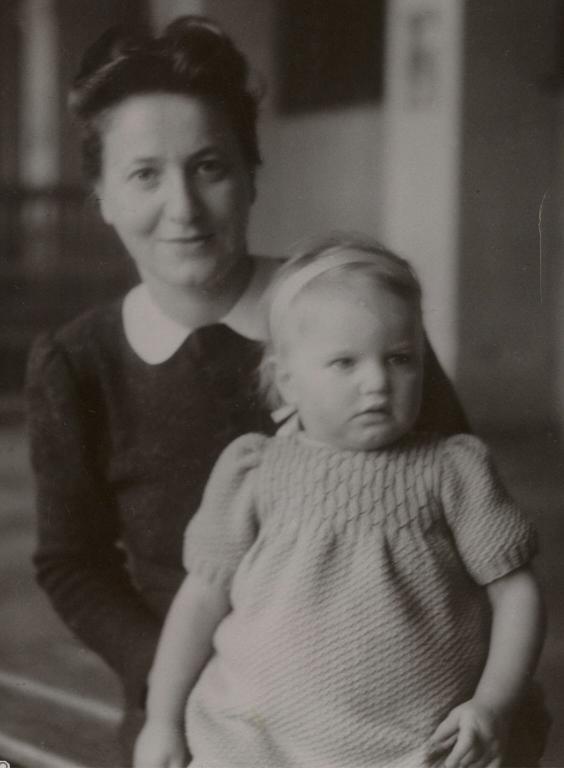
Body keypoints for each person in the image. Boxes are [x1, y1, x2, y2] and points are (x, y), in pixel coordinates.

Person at [25, 17, 468, 766]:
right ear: (100, 194)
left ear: (253, 172)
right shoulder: (77, 364)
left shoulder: (354, 315)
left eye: (209, 167)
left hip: (394, 693)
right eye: (144, 175)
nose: (183, 208)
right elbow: (73, 564)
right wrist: (177, 671)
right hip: (202, 705)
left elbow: (456, 495)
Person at [134, 235, 546, 768]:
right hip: (253, 739)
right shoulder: (254, 471)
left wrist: (494, 704)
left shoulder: (454, 469)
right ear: (288, 382)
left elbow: (517, 593)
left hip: (412, 742)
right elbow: (198, 603)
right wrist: (162, 722)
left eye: (399, 359)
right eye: (345, 363)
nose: (377, 382)